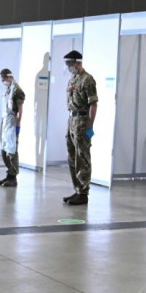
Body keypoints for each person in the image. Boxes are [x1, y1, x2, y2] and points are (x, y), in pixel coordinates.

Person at [63, 50, 97, 205]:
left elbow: (93, 104)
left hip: (82, 121)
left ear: (78, 62)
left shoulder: (87, 80)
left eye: (70, 64)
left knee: (81, 157)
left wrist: (90, 126)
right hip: (72, 119)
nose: (69, 67)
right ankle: (77, 189)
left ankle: (83, 193)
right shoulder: (73, 80)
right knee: (71, 156)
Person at [0, 68, 25, 187]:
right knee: (4, 149)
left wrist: (18, 125)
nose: (3, 82)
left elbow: (20, 110)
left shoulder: (17, 90)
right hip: (5, 121)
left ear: (9, 77)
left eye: (4, 79)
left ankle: (13, 177)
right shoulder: (8, 89)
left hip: (12, 122)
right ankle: (9, 173)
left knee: (12, 150)